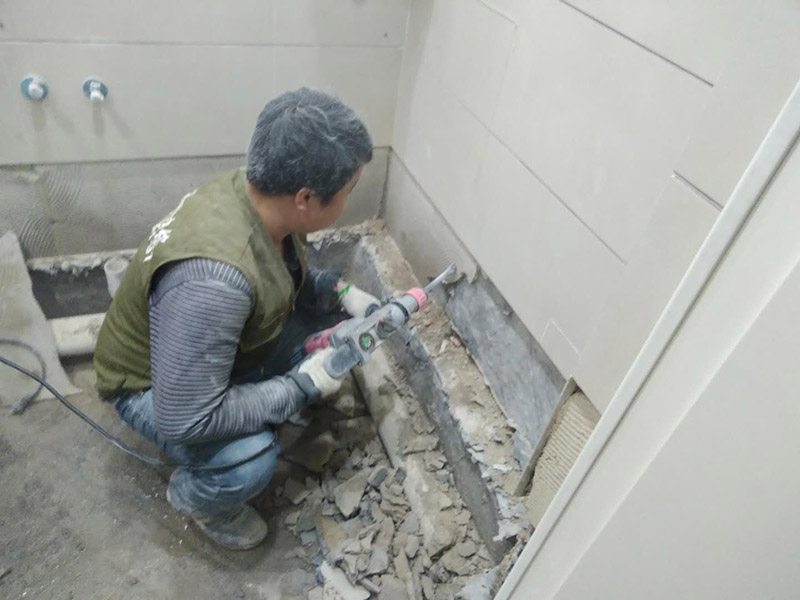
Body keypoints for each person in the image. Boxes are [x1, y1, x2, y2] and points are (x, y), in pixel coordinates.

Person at [93, 88, 381, 550]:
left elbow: (276, 271)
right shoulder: (214, 283)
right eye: (348, 192)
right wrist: (298, 388)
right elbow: (187, 419)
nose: (348, 201)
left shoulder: (257, 196)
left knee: (319, 338)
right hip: (151, 387)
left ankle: (272, 386)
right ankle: (200, 498)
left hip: (194, 343)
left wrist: (336, 291)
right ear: (306, 198)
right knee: (249, 459)